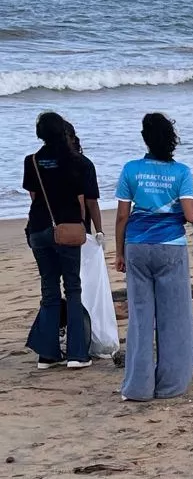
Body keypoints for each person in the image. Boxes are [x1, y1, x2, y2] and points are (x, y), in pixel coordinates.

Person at [115, 113, 193, 401]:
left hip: (137, 246)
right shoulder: (181, 173)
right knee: (174, 317)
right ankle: (171, 385)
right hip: (170, 247)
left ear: (145, 139)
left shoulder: (131, 170)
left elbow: (122, 216)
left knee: (140, 318)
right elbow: (190, 215)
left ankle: (138, 387)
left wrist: (119, 252)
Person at [22, 112, 90, 370]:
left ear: (40, 134)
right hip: (68, 227)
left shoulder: (33, 161)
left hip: (39, 228)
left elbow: (34, 196)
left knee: (49, 291)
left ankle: (47, 354)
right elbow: (82, 199)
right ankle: (77, 353)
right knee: (72, 288)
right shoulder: (76, 162)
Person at [65, 123, 103, 238]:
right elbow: (91, 201)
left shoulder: (41, 162)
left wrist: (99, 231)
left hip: (48, 225)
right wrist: (99, 231)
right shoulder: (84, 163)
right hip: (77, 226)